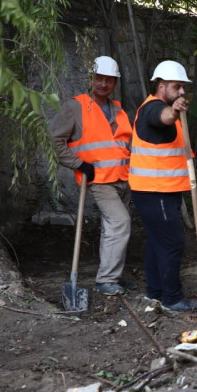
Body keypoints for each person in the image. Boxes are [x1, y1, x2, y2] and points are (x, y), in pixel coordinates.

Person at [49, 56, 135, 296]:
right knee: (119, 223)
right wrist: (78, 164)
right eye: (99, 79)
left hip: (123, 178)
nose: (104, 84)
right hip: (99, 180)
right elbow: (53, 140)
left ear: (115, 83)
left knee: (114, 227)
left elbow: (125, 145)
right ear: (90, 79)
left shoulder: (118, 109)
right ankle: (106, 280)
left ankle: (113, 275)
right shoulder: (75, 107)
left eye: (109, 80)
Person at [129, 60, 197, 312]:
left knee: (156, 242)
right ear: (161, 86)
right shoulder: (153, 109)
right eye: (176, 86)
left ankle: (155, 293)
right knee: (172, 244)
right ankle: (172, 299)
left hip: (161, 189)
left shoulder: (161, 107)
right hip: (155, 191)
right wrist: (174, 110)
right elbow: (163, 117)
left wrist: (175, 109)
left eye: (183, 87)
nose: (182, 91)